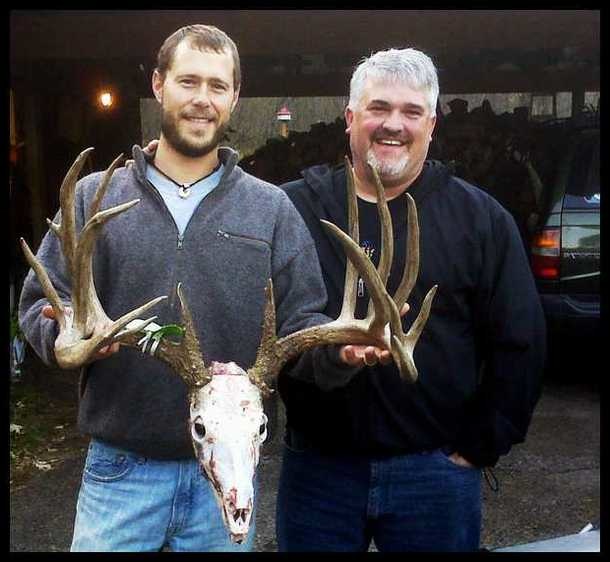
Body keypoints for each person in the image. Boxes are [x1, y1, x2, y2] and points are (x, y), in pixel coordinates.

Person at [18, 24, 357, 552]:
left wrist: (341, 352)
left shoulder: (271, 210)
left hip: (228, 472)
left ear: (235, 97)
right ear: (158, 85)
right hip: (121, 471)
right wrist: (59, 332)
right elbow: (44, 300)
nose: (202, 100)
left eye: (218, 86)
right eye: (188, 82)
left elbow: (304, 325)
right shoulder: (92, 197)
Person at [276, 48, 546, 552]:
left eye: (411, 112)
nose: (393, 125)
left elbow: (521, 339)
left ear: (432, 124)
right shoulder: (291, 210)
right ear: (350, 117)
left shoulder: (480, 219)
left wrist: (480, 445)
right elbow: (263, 324)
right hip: (319, 471)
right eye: (378, 108)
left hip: (434, 472)